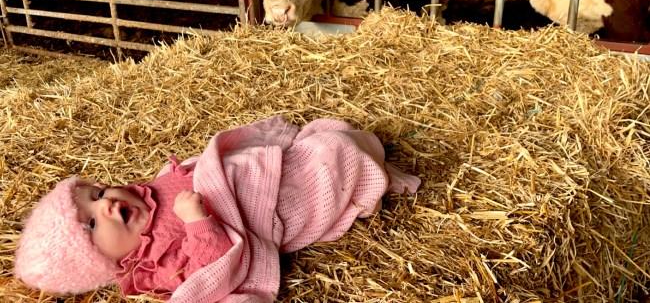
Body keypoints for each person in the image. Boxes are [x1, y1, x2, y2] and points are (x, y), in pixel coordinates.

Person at [14, 116, 420, 302]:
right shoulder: (161, 263)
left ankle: (344, 152)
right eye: (90, 224)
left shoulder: (145, 196)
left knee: (320, 142)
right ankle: (361, 167)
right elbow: (210, 269)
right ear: (104, 261)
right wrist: (197, 222)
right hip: (269, 211)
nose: (106, 204)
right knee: (333, 160)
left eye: (97, 193)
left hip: (259, 177)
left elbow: (188, 173)